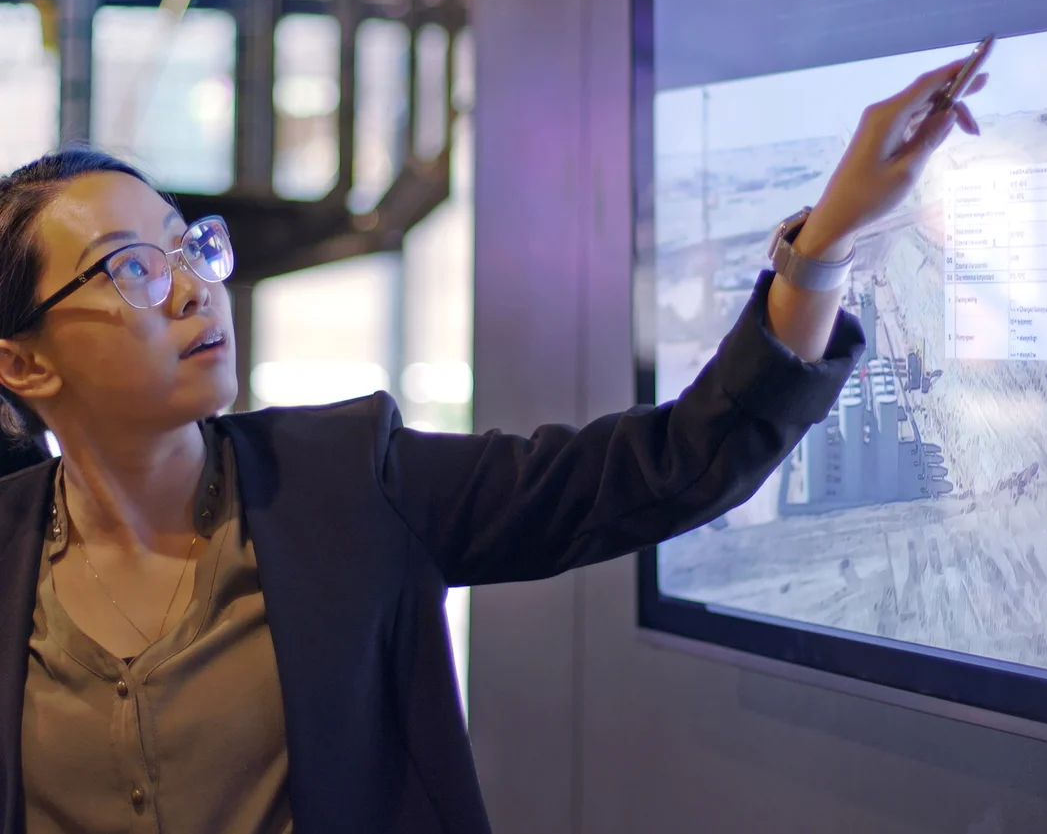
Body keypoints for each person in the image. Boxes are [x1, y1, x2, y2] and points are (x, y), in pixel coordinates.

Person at [0, 59, 983, 834]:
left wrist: (825, 244)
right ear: (25, 362)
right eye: (132, 268)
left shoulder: (346, 483)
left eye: (187, 246)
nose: (190, 286)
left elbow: (677, 461)